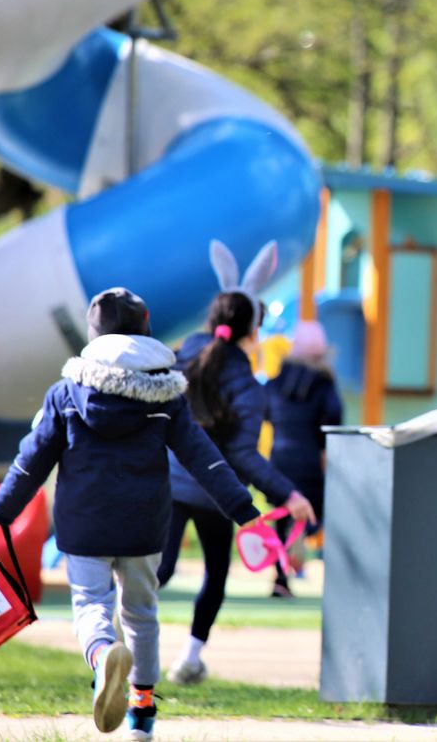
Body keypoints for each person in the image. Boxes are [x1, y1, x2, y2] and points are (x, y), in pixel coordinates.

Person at [0, 288, 259, 742]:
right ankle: (141, 713)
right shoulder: (167, 398)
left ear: (94, 334)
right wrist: (242, 508)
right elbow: (202, 457)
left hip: (84, 524)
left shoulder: (65, 394)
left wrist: (0, 511)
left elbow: (31, 460)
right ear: (145, 329)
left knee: (91, 606)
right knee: (141, 613)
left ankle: (102, 655)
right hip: (143, 526)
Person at [158, 286, 316, 684]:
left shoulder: (180, 358)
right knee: (215, 575)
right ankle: (189, 659)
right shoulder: (248, 387)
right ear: (252, 333)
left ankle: (109, 638)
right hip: (216, 493)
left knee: (158, 571)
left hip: (170, 484)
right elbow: (245, 456)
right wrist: (290, 494)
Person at [265, 320, 343, 597]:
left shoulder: (277, 381)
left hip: (279, 460)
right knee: (313, 515)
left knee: (282, 517)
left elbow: (265, 411)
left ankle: (281, 577)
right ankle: (298, 549)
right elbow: (334, 419)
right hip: (310, 461)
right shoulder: (324, 385)